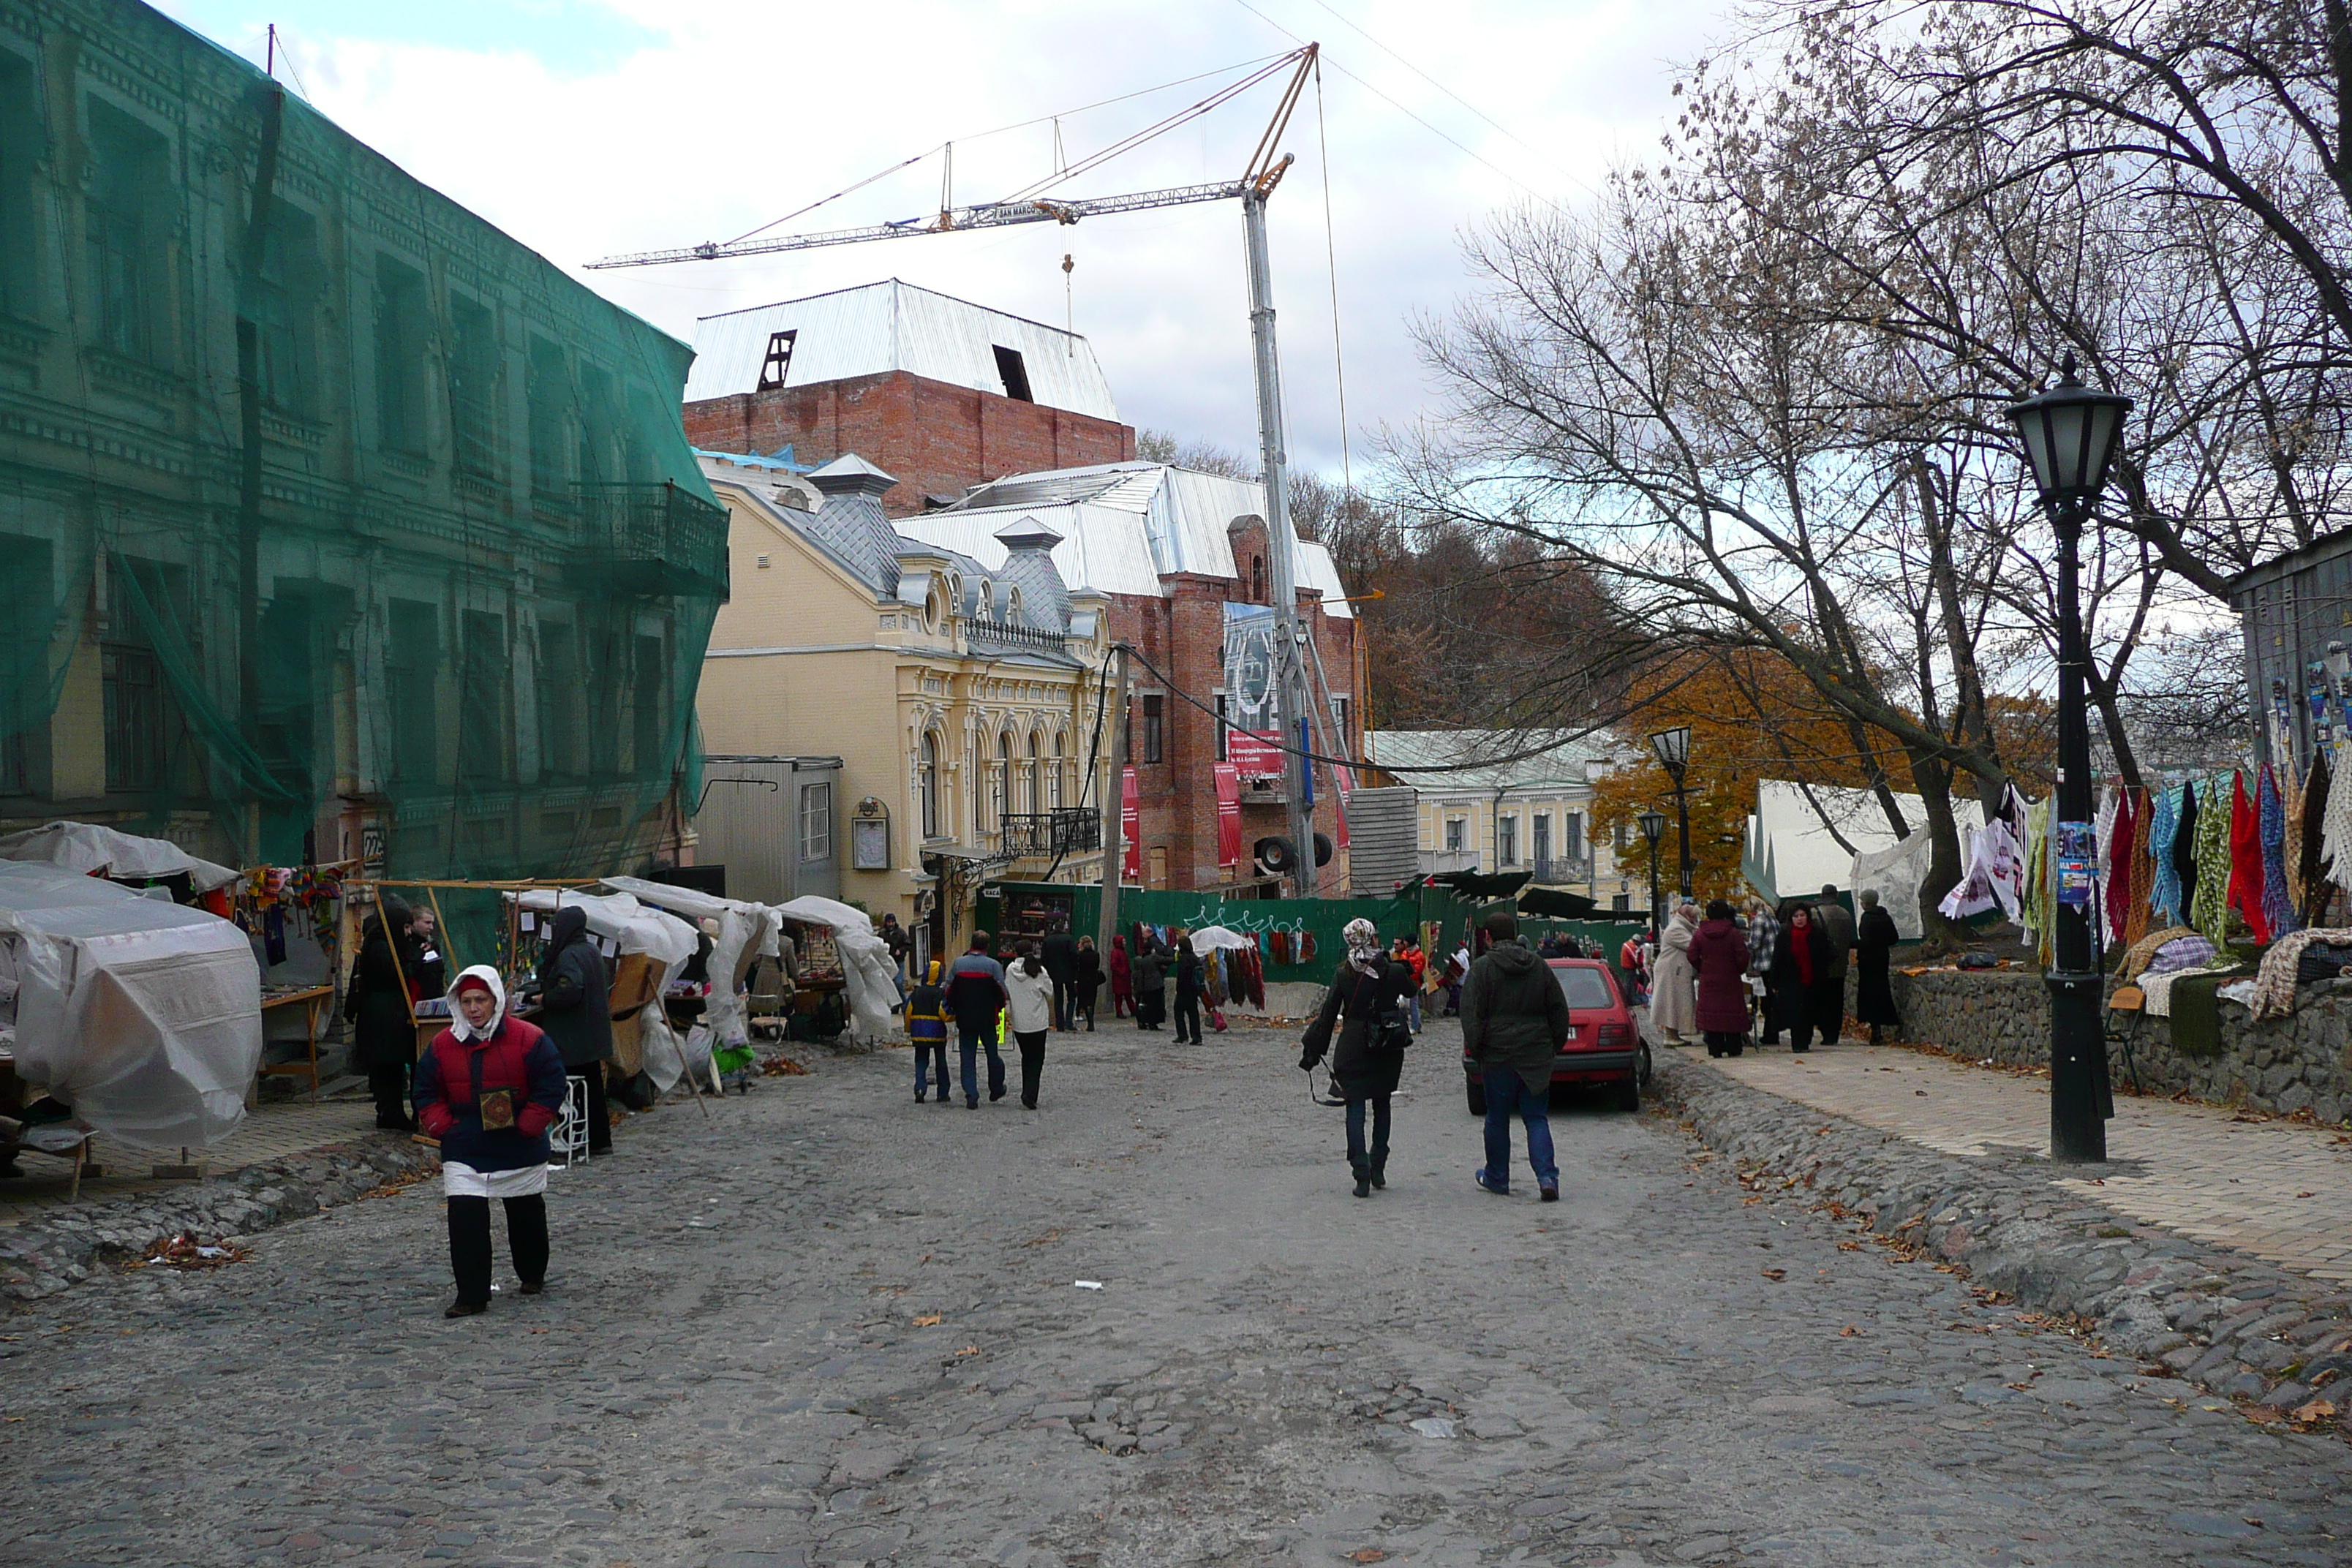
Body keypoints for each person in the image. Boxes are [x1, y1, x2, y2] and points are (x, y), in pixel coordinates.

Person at [413, 966, 566, 1318]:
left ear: (496, 1000)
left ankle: (532, 1273)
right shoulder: (441, 1046)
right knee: (465, 1219)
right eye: (466, 1001)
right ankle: (471, 1294)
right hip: (465, 1143)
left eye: (480, 999)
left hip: (518, 1139)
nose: (473, 1008)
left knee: (525, 1212)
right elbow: (425, 1090)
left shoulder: (530, 1039)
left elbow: (551, 1082)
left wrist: (530, 1124)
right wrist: (442, 1125)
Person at [1299, 917, 1417, 1198]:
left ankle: (1360, 1174)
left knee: (1354, 1109)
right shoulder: (1392, 971)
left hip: (1352, 1047)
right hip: (1386, 1045)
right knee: (1383, 1105)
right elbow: (1413, 991)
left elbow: (1328, 1015)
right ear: (1372, 939)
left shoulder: (1343, 973)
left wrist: (1314, 1050)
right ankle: (1378, 1166)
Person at [1460, 910, 1572, 1200]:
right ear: (1515, 934)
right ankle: (1547, 1177)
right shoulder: (1539, 966)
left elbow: (1471, 1014)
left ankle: (1497, 1176)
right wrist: (1553, 1046)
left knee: (1497, 1118)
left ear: (1488, 937)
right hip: (1535, 1053)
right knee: (1536, 1118)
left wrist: (1479, 1048)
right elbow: (1558, 1009)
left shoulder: (1482, 969)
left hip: (1498, 1055)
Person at [531, 904, 614, 1156]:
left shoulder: (569, 956)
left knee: (568, 1090)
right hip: (592, 1035)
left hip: (572, 1037)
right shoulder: (591, 951)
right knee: (593, 1092)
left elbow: (571, 989)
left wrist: (546, 999)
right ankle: (600, 1141)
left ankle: (573, 1140)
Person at [347, 898, 419, 1131]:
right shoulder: (379, 946)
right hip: (382, 1016)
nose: (408, 932)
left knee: (392, 1068)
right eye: (405, 927)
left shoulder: (386, 943)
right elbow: (393, 974)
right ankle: (390, 1113)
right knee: (387, 1069)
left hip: (388, 1014)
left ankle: (393, 1111)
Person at [944, 932, 1011, 1107]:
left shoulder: (959, 964)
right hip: (988, 1018)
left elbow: (949, 989)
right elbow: (1002, 993)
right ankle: (996, 1087)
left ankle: (971, 1094)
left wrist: (954, 1006)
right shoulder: (993, 966)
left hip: (965, 1017)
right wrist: (999, 1008)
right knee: (992, 1054)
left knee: (967, 1056)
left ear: (971, 944)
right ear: (987, 946)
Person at [1767, 903, 1839, 1053]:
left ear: (1807, 916)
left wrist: (1821, 969)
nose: (1799, 919)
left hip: (1813, 979)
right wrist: (1774, 981)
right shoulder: (1785, 935)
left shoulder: (1817, 933)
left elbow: (1828, 954)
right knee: (1795, 1012)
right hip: (1790, 979)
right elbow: (1777, 958)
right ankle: (1798, 1043)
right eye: (1796, 916)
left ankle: (1805, 1041)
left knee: (1808, 1011)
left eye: (1802, 915)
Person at [1688, 899, 1753, 1058]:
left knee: (1712, 1015)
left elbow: (1692, 955)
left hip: (1709, 979)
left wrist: (1702, 967)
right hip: (1730, 978)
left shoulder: (1700, 934)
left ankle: (1715, 1048)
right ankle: (1734, 1047)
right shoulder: (1733, 933)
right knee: (1731, 1014)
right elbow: (1743, 956)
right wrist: (1739, 969)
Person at [1005, 941, 1055, 1108]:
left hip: (1019, 1022)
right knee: (1037, 1059)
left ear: (1015, 952)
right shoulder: (1039, 971)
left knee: (1026, 1057)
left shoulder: (1010, 971)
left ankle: (1027, 1089)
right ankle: (1030, 1093)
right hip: (1038, 1022)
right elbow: (1049, 992)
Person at [1855, 889, 1904, 1044]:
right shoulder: (1885, 917)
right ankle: (1881, 1026)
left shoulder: (1867, 919)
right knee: (1882, 990)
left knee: (1869, 994)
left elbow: (1866, 941)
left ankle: (1875, 1028)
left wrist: (1853, 945)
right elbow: (1894, 938)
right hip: (1882, 958)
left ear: (1865, 903)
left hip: (1868, 961)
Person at [1649, 902, 1699, 1046]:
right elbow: (1693, 946)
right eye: (1694, 917)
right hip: (1672, 972)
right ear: (1688, 916)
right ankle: (1670, 1036)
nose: (1695, 920)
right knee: (1671, 1002)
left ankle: (1674, 1034)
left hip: (1675, 971)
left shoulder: (1680, 926)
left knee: (1675, 1002)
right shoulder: (1677, 929)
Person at [906, 959, 951, 1102]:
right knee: (941, 1062)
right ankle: (943, 1093)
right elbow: (944, 1013)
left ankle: (920, 1088)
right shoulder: (941, 993)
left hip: (919, 1032)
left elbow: (908, 1012)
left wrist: (909, 1028)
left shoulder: (916, 993)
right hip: (937, 1032)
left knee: (920, 1061)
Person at [1816, 884, 1855, 1036]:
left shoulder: (1817, 913)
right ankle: (1834, 1031)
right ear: (1836, 895)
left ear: (1822, 895)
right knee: (1836, 999)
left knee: (1823, 998)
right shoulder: (1845, 914)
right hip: (1840, 964)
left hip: (1822, 964)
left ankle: (1825, 1030)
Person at [1745, 897, 1781, 1046]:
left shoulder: (1759, 920)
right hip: (1775, 962)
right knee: (1772, 1001)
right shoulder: (1771, 918)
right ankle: (1773, 1032)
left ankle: (1770, 1035)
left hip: (1765, 962)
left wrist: (1743, 944)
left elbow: (1755, 944)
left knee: (1767, 1001)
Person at [1041, 921, 1078, 1032]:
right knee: (1072, 997)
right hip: (1069, 972)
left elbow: (1044, 958)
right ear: (1064, 928)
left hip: (1054, 973)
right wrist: (1075, 969)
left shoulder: (1048, 940)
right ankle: (1069, 1022)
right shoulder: (1069, 939)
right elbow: (1074, 954)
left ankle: (1059, 1024)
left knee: (1058, 999)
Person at [1171, 936, 1205, 1043]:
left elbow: (1182, 976)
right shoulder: (1195, 958)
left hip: (1184, 990)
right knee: (1193, 1013)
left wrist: (1178, 990)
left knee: (1178, 1012)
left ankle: (1183, 1035)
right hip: (1194, 989)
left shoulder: (1183, 959)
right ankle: (1196, 1036)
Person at [1131, 937, 1167, 1031]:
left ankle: (1145, 1022)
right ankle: (1153, 1023)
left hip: (1145, 986)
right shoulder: (1154, 957)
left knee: (1147, 1005)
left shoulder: (1142, 960)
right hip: (1156, 985)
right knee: (1155, 1005)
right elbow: (1165, 960)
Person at [1397, 933, 1428, 1033]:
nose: (1404, 943)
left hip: (1414, 983)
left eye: (1406, 941)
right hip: (1404, 982)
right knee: (1405, 1005)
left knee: (1413, 1005)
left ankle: (1415, 1026)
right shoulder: (1405, 953)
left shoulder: (1419, 956)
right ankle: (1414, 1024)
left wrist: (1406, 976)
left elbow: (1417, 972)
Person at [1071, 935, 1102, 1031]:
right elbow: (1097, 966)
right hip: (1093, 980)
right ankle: (1091, 1022)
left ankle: (1081, 1016)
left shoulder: (1079, 955)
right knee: (1091, 1001)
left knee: (1083, 999)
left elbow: (1077, 968)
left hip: (1083, 979)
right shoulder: (1096, 954)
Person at [880, 914, 911, 987]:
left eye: (892, 922)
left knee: (898, 982)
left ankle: (903, 998)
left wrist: (900, 950)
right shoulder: (882, 934)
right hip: (887, 962)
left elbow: (908, 944)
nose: (891, 924)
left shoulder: (901, 933)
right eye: (889, 922)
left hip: (899, 962)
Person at [1109, 933, 1134, 1019]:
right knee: (1119, 995)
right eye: (1123, 941)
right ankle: (1120, 1012)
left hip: (1124, 977)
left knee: (1127, 995)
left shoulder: (1121, 952)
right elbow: (1114, 965)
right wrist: (1122, 972)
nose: (1125, 943)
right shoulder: (1116, 952)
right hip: (1120, 977)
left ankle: (1133, 1010)